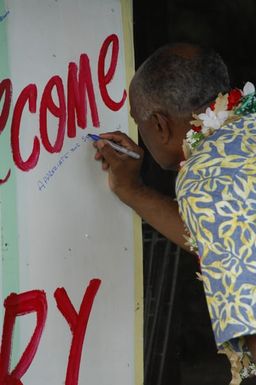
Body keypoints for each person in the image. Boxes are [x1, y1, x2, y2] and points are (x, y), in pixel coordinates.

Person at [94, 42, 256, 383]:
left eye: (139, 124)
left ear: (159, 125)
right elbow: (217, 236)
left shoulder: (206, 173)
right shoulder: (245, 131)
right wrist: (130, 189)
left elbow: (250, 312)